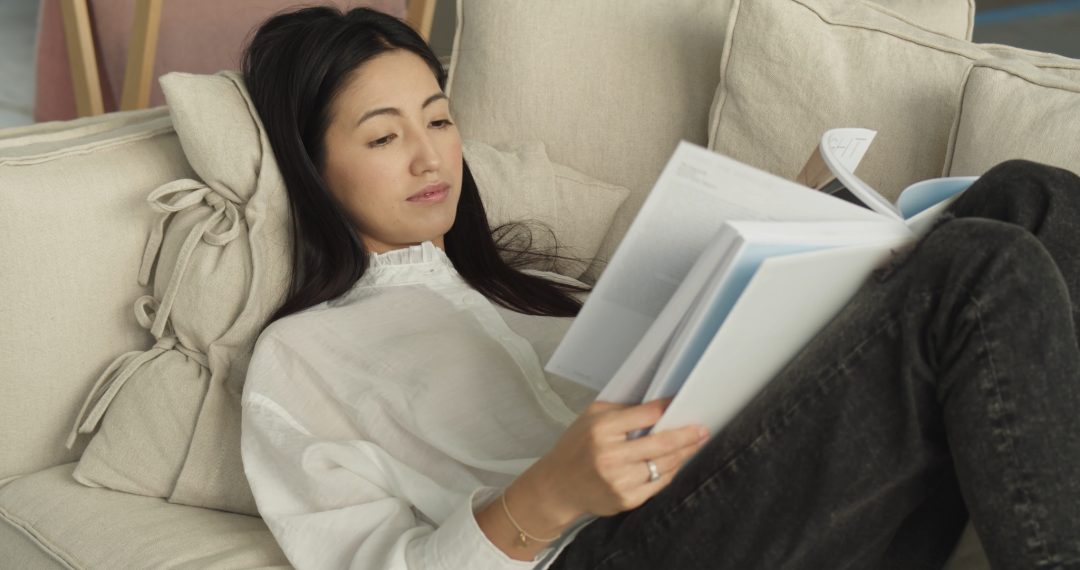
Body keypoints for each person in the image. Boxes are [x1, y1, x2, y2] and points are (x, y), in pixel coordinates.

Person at [237, 6, 1080, 570]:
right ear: (311, 168)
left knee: (1029, 195)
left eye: (440, 118)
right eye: (385, 136)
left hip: (740, 496)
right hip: (604, 551)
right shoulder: (300, 356)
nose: (430, 156)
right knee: (979, 267)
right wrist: (548, 494)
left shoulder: (534, 287)